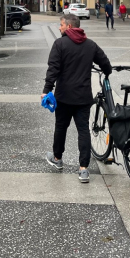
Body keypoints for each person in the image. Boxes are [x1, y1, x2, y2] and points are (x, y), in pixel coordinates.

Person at [42, 13, 112, 183]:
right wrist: (107, 72)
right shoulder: (90, 44)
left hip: (64, 97)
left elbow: (53, 69)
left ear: (69, 26)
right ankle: (83, 170)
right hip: (83, 97)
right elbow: (105, 63)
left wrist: (46, 90)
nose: (59, 27)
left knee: (61, 127)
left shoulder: (60, 44)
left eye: (61, 25)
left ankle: (57, 159)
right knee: (83, 131)